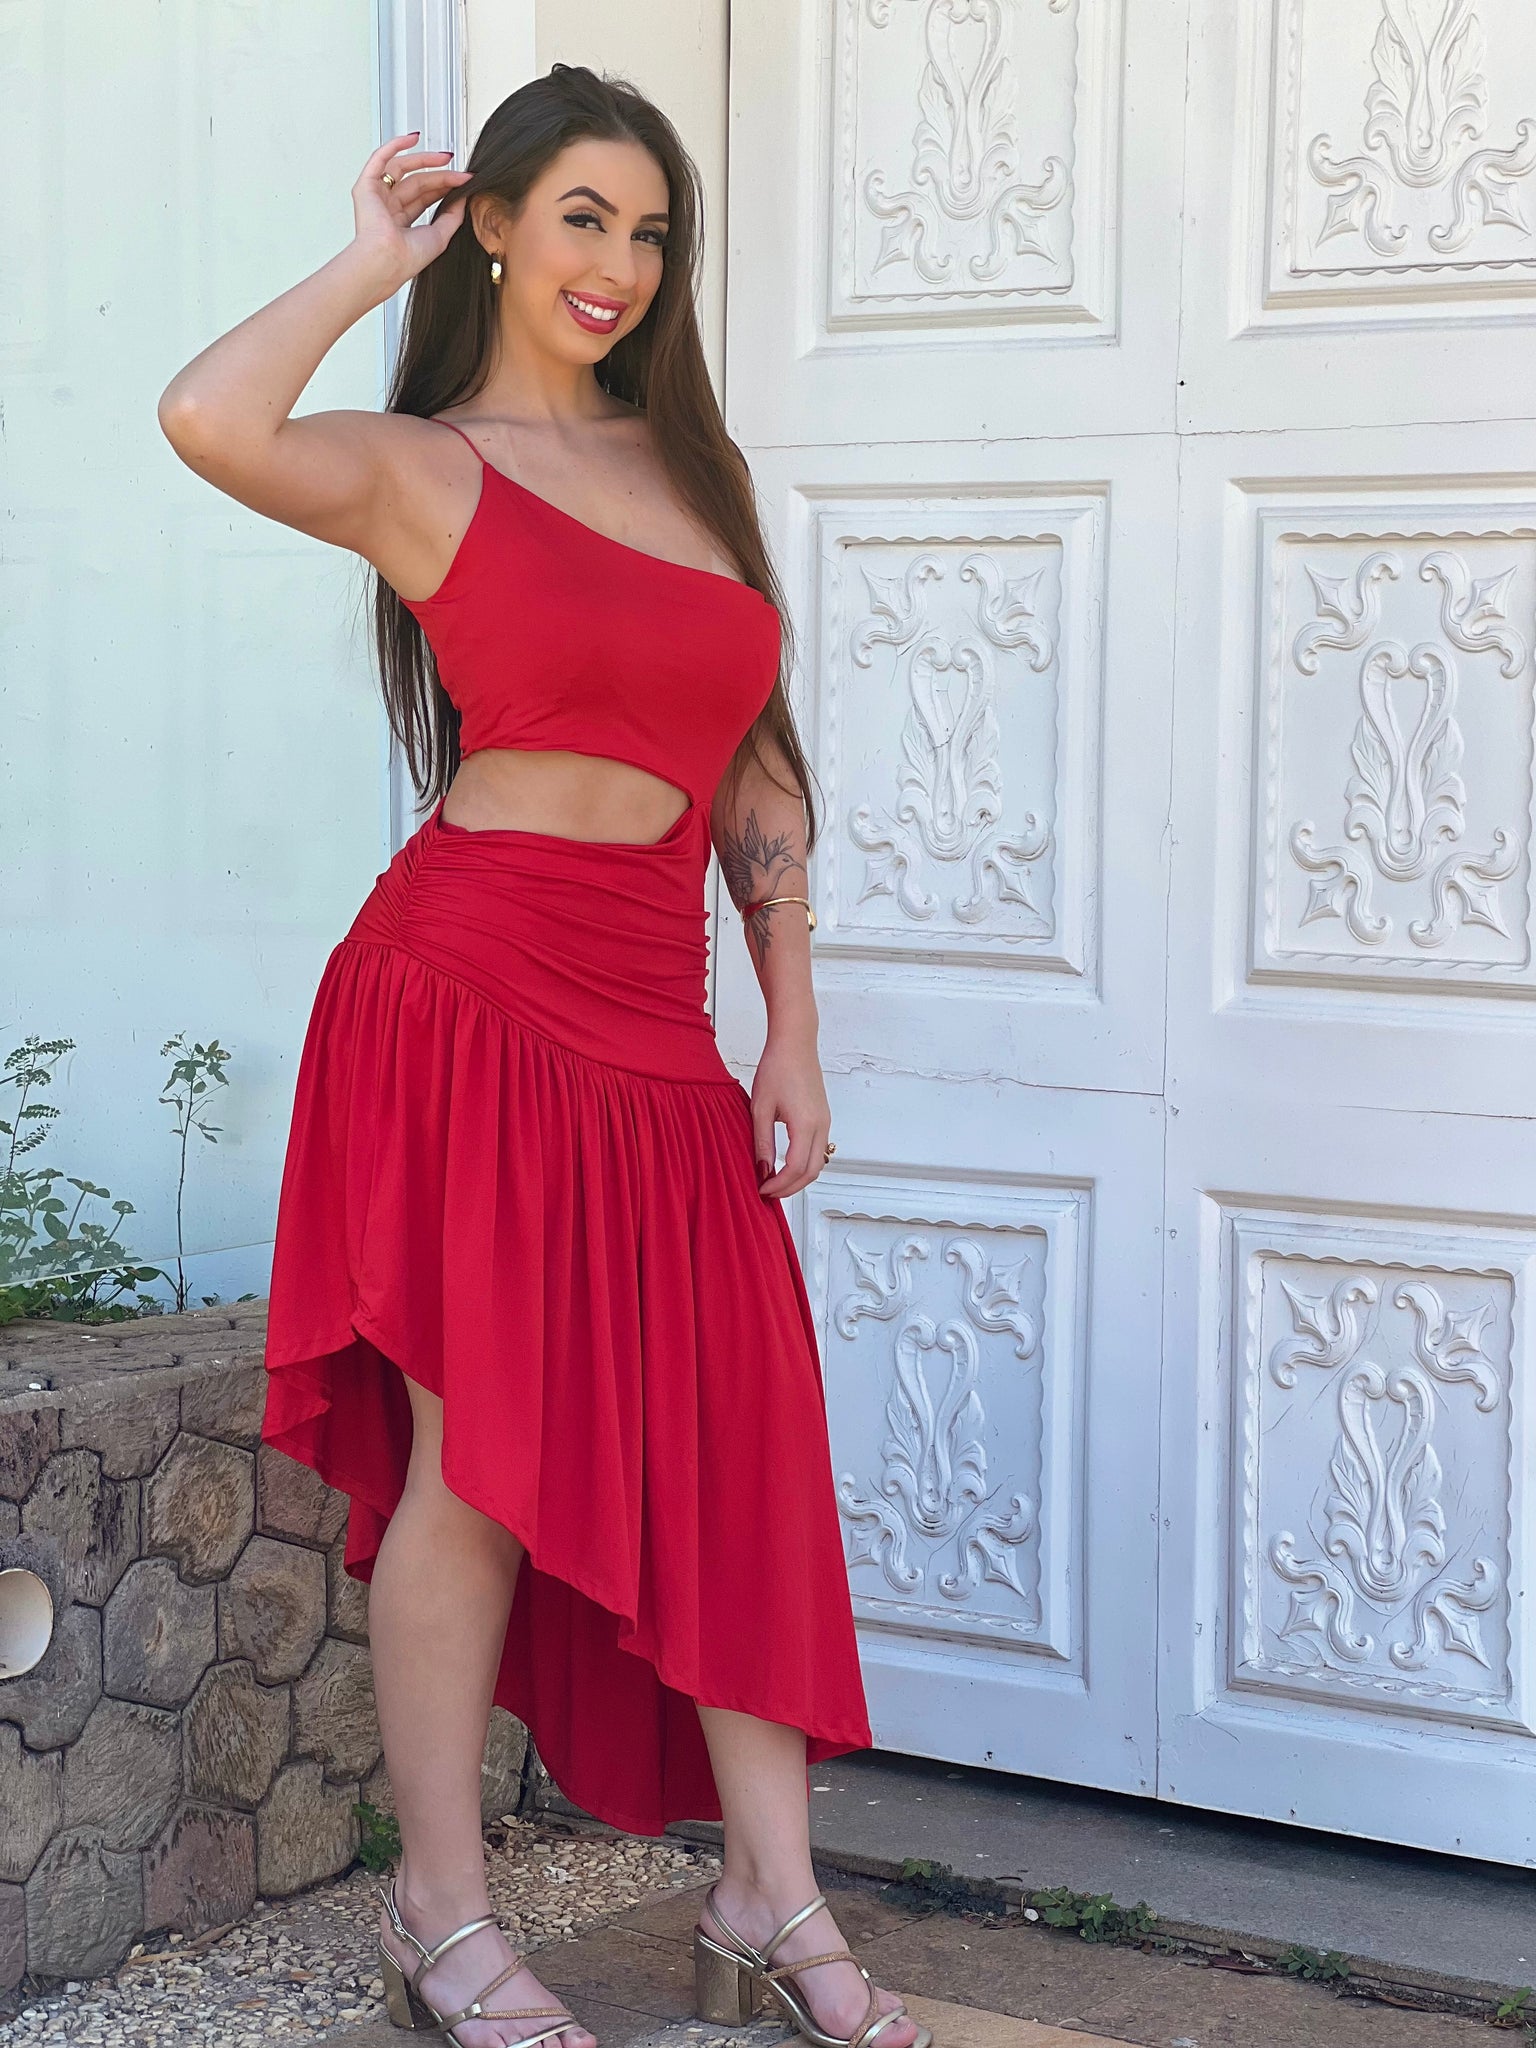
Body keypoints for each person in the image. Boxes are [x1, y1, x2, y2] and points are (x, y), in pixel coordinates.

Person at [158, 63, 928, 2048]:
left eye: (650, 230)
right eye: (582, 215)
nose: (620, 263)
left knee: (741, 1436)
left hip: (658, 1021)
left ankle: (768, 1892)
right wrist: (365, 261)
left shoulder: (692, 470)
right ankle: (443, 1913)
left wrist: (792, 1024)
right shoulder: (430, 468)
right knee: (480, 1464)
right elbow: (208, 419)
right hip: (466, 1004)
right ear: (494, 225)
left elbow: (755, 774)